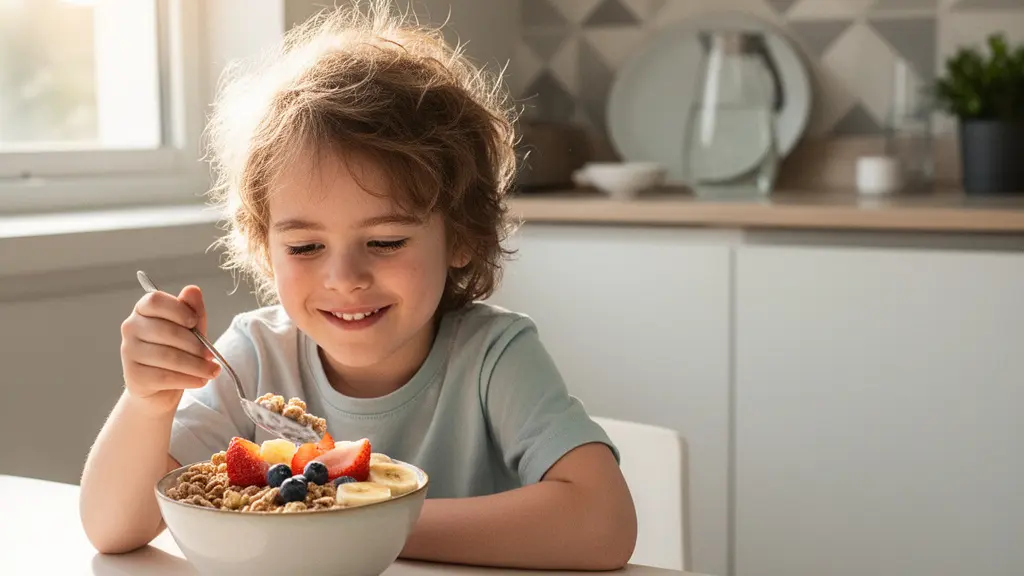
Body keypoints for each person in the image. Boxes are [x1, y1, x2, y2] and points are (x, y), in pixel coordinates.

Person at [79, 0, 637, 569]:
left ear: (462, 236)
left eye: (387, 241)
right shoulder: (249, 356)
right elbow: (113, 529)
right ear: (266, 249)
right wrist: (149, 402)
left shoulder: (493, 358)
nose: (344, 279)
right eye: (304, 247)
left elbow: (603, 523)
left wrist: (361, 522)